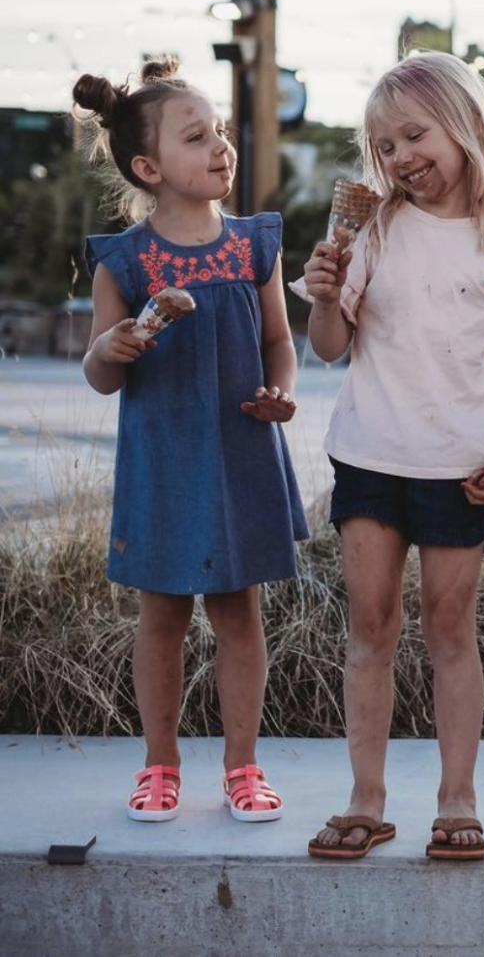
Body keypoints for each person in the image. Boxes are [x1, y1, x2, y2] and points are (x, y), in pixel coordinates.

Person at [299, 52, 484, 861]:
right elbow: (329, 347)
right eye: (383, 146)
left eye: (414, 135)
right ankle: (365, 798)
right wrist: (323, 294)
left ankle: (458, 799)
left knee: (450, 629)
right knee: (370, 626)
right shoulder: (371, 229)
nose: (399, 157)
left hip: (458, 465)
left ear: (462, 128)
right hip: (370, 457)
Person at [76, 58, 309, 824]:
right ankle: (160, 765)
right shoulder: (127, 260)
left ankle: (243, 767)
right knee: (163, 617)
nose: (220, 147)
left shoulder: (253, 245)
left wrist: (285, 392)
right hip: (164, 461)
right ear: (149, 167)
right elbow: (99, 375)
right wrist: (112, 348)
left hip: (241, 452)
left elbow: (280, 342)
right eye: (196, 136)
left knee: (239, 612)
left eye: (220, 132)